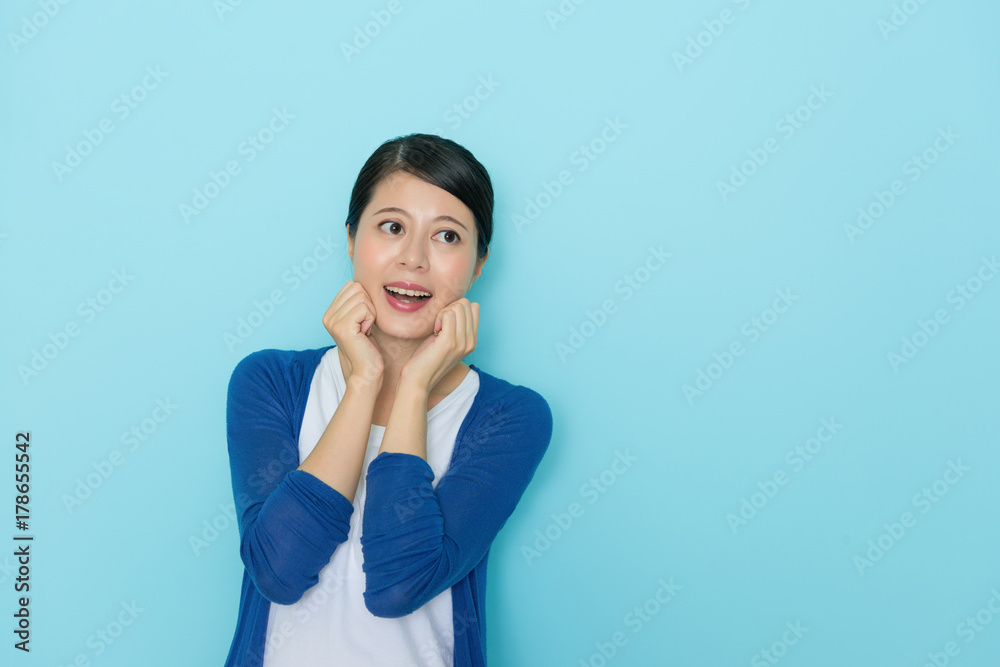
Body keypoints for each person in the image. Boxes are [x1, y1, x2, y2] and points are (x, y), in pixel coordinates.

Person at [222, 133, 554, 666]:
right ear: (351, 239)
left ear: (479, 264)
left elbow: (399, 584)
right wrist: (365, 380)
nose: (414, 259)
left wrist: (415, 386)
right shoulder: (270, 381)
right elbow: (279, 572)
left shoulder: (509, 416)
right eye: (392, 227)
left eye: (447, 236)